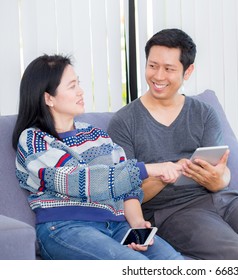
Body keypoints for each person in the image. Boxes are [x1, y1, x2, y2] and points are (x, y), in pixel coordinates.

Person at [107, 28, 238, 260]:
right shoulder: (124, 121)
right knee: (237, 255)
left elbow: (222, 176)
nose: (158, 76)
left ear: (188, 71)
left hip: (224, 200)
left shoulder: (203, 113)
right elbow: (126, 192)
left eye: (169, 69)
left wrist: (217, 179)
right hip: (173, 212)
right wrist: (164, 174)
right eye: (152, 66)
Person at [12, 54, 184, 260]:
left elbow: (126, 187)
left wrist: (137, 224)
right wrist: (147, 169)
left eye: (79, 84)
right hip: (66, 228)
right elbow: (80, 180)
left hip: (117, 225)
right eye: (72, 86)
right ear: (49, 98)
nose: (80, 91)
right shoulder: (34, 139)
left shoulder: (97, 135)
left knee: (173, 262)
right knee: (134, 265)